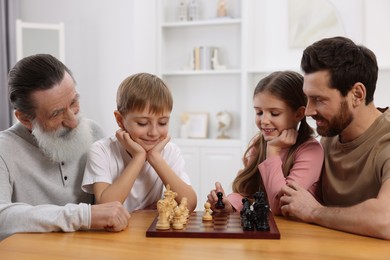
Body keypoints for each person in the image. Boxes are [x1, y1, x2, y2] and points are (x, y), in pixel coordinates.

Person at [0, 54, 130, 241]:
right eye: (57, 113)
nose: (73, 121)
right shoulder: (4, 150)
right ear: (25, 119)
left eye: (73, 103)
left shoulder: (94, 132)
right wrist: (84, 216)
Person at [280, 36, 390, 240]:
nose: (308, 111)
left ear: (357, 94)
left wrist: (314, 212)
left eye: (319, 99)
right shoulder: (329, 136)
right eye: (308, 98)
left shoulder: (386, 141)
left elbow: (386, 220)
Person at [207, 71, 324, 215]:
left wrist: (273, 151)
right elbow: (249, 193)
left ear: (299, 114)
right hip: (273, 229)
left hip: (300, 231)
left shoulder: (311, 151)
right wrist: (229, 204)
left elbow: (280, 206)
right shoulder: (259, 143)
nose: (264, 121)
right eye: (259, 112)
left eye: (274, 113)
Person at [81, 72, 197, 213]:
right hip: (111, 233)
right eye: (142, 123)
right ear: (120, 120)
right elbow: (104, 207)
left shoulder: (170, 151)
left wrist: (155, 158)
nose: (153, 132)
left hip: (147, 231)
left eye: (162, 122)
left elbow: (190, 203)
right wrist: (138, 158)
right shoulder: (101, 150)